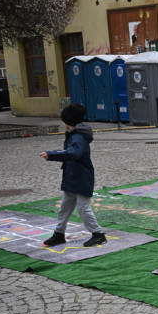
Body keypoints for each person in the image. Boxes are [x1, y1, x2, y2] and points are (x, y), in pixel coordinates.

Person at [40, 103, 107, 247]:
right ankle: (59, 234)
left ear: (68, 122)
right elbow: (69, 152)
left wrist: (51, 155)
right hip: (72, 176)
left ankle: (98, 234)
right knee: (64, 207)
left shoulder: (78, 137)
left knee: (83, 208)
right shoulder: (74, 135)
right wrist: (53, 154)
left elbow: (73, 153)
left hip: (81, 177)